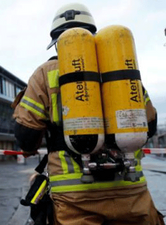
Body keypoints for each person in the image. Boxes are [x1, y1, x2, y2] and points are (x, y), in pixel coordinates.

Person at [12, 3, 165, 224]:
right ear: (92, 33)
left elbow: (26, 135)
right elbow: (149, 125)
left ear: (56, 43)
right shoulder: (121, 68)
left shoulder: (45, 74)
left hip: (75, 198)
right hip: (132, 193)